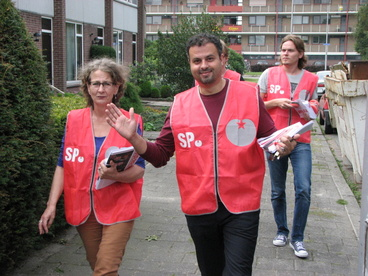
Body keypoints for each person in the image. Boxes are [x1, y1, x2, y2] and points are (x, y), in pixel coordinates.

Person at [105, 33, 298, 275]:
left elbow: (270, 140)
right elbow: (161, 155)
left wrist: (282, 147)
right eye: (196, 61)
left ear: (223, 59)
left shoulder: (249, 96)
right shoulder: (180, 104)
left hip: (242, 205)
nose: (203, 65)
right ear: (190, 64)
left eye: (210, 58)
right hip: (198, 207)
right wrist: (134, 138)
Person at [38, 58, 145, 276]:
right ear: (87, 87)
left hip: (119, 207)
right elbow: (63, 164)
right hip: (83, 209)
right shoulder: (74, 119)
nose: (100, 89)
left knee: (104, 270)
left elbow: (140, 169)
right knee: (97, 265)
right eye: (95, 83)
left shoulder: (131, 121)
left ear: (117, 87)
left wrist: (116, 175)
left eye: (106, 83)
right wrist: (51, 205)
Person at [258, 34, 319, 259]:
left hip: (300, 140)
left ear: (300, 54)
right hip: (275, 139)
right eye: (283, 50)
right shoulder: (269, 74)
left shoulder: (311, 79)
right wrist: (275, 102)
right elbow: (255, 104)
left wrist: (309, 107)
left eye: (290, 50)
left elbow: (315, 107)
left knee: (303, 188)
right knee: (277, 189)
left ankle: (298, 238)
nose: (285, 54)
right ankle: (282, 231)